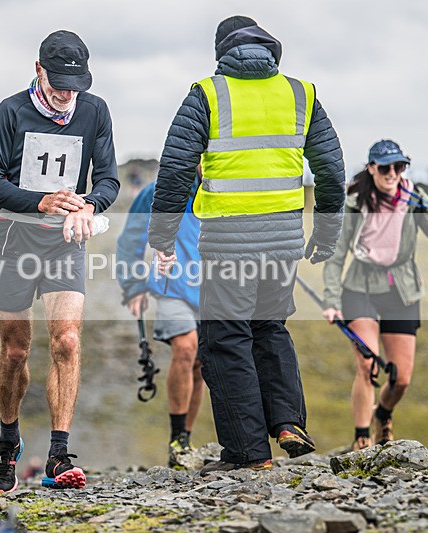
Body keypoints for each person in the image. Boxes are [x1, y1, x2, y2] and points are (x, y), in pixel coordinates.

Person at [148, 16, 346, 475]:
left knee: (226, 340)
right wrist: (327, 233)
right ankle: (288, 421)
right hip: (282, 243)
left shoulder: (208, 93)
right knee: (270, 327)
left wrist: (162, 237)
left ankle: (246, 451)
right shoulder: (302, 94)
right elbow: (332, 172)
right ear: (269, 49)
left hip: (227, 244)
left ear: (222, 52)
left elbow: (176, 169)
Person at [0, 30, 120, 494]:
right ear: (38, 70)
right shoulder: (10, 111)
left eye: (74, 85)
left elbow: (110, 180)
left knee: (68, 341)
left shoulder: (94, 110)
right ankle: (8, 442)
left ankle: (59, 454)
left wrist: (90, 206)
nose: (66, 94)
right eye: (58, 83)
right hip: (10, 241)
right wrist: (40, 202)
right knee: (16, 350)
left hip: (62, 243)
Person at [322, 139, 428, 451]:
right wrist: (331, 300)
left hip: (402, 289)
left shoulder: (413, 197)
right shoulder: (355, 201)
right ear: (371, 168)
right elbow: (336, 255)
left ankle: (382, 414)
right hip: (360, 287)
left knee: (400, 378)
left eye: (399, 166)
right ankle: (361, 438)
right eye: (385, 167)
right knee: (368, 363)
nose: (392, 173)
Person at [116, 176, 204, 468]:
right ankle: (177, 438)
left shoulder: (223, 187)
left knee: (200, 364)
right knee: (186, 347)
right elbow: (131, 239)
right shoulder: (156, 191)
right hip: (171, 286)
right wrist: (133, 286)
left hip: (214, 288)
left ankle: (185, 439)